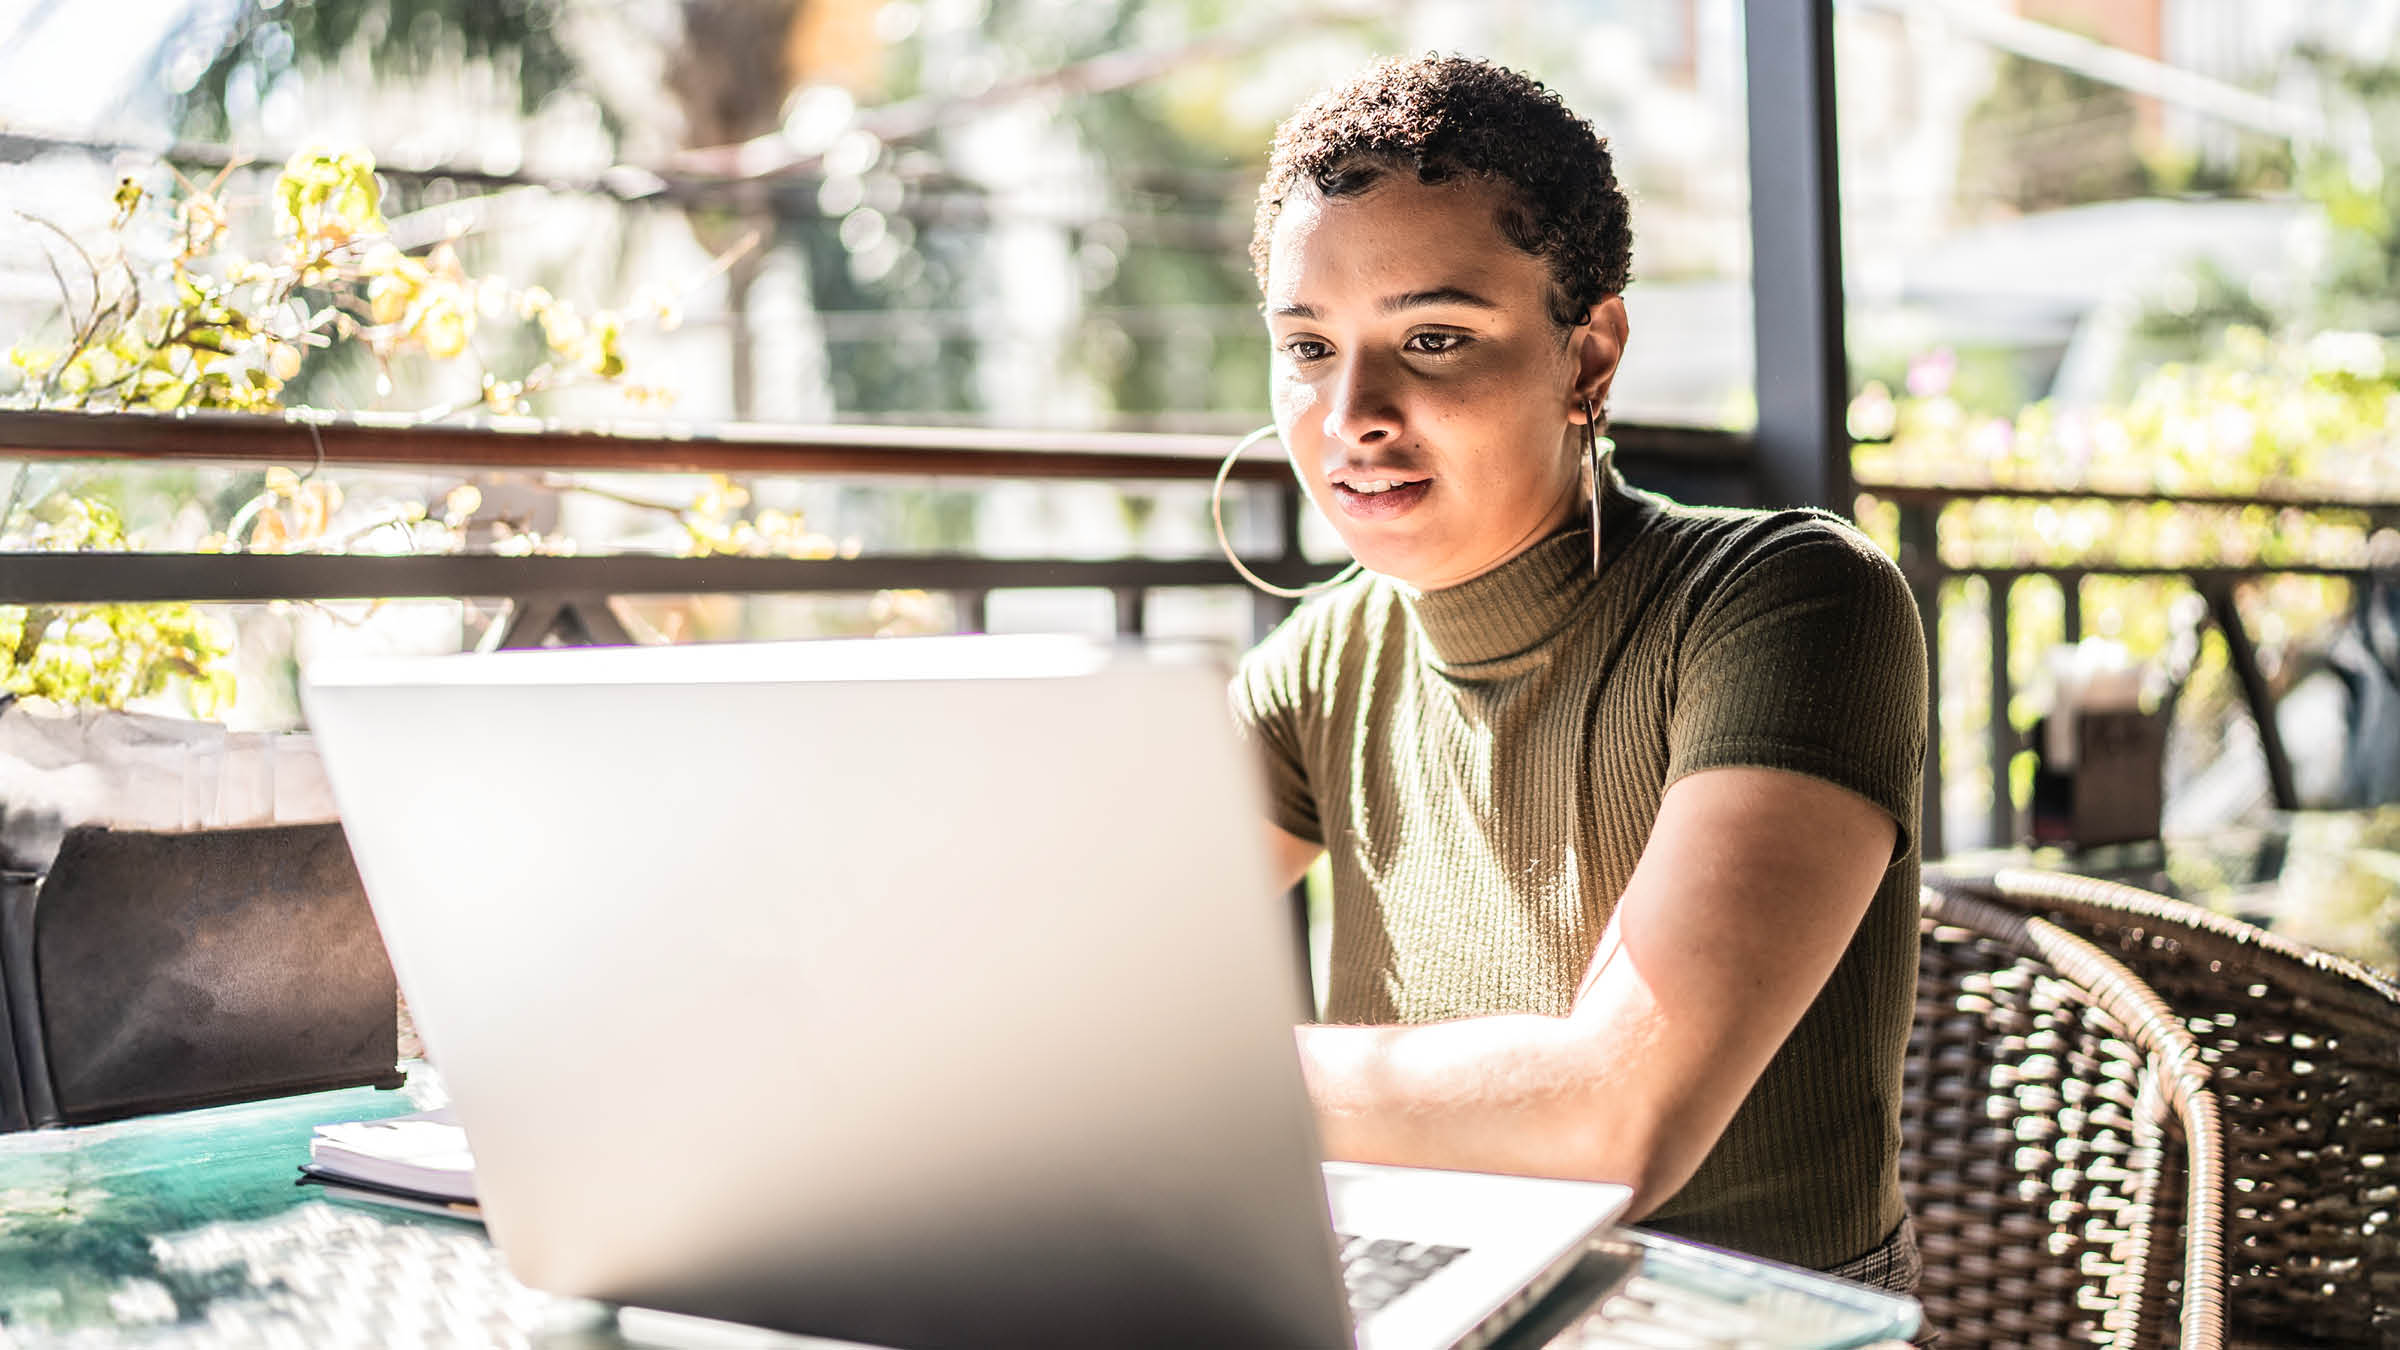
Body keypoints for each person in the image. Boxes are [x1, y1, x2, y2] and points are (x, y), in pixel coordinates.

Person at [1225, 54, 1928, 1291]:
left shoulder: (1790, 601)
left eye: (1433, 338)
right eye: (1308, 347)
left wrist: (1187, 1079)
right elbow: (1065, 962)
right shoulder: (1326, 659)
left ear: (1589, 354)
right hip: (1450, 1303)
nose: (1351, 415)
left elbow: (1612, 1119)